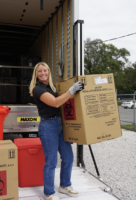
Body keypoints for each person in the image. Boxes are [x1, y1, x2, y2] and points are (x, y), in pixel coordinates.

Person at [29, 62, 83, 200]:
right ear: (36, 74)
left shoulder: (51, 87)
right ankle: (48, 192)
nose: (42, 73)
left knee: (68, 156)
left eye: (45, 70)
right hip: (48, 127)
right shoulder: (38, 89)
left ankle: (65, 185)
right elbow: (56, 103)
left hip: (59, 124)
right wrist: (71, 91)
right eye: (39, 71)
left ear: (48, 72)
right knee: (51, 161)